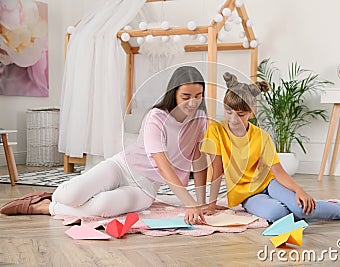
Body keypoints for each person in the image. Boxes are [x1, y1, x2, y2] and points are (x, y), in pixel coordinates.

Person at [1, 66, 209, 225]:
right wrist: (189, 202)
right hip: (122, 167)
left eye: (198, 96)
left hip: (145, 188)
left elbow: (198, 159)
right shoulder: (157, 117)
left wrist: (200, 201)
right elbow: (162, 164)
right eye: (186, 96)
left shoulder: (200, 120)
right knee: (69, 195)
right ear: (173, 93)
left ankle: (46, 208)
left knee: (102, 206)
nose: (193, 102)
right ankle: (53, 198)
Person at [201, 72, 340, 222]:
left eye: (241, 114)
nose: (234, 119)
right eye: (229, 112)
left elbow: (278, 171)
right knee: (278, 215)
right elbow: (216, 171)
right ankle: (323, 208)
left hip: (270, 184)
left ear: (252, 112)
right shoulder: (216, 130)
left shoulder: (262, 137)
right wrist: (211, 204)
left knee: (302, 207)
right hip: (247, 195)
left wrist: (300, 190)